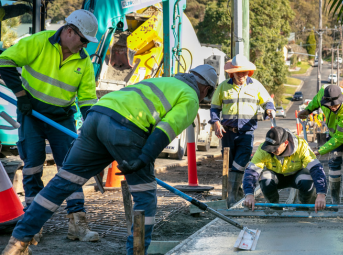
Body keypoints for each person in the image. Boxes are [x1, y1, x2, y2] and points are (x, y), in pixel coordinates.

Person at [1, 65, 219, 255]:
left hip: (96, 117)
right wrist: (143, 158)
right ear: (206, 88)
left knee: (62, 182)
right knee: (145, 198)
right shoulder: (190, 97)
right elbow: (164, 130)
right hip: (126, 129)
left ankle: (17, 242)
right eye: (207, 95)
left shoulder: (164, 81)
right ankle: (136, 251)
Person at [0, 9, 100, 243]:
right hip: (32, 115)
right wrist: (21, 95)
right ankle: (33, 225)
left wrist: (91, 125)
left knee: (71, 169)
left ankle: (77, 223)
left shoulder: (84, 62)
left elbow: (86, 98)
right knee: (33, 167)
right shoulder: (39, 42)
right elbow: (4, 61)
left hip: (61, 118)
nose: (85, 46)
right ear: (68, 32)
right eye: (83, 40)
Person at [210, 54, 275, 208]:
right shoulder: (223, 86)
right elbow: (214, 108)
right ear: (232, 72)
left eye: (244, 72)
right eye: (238, 73)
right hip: (227, 132)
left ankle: (232, 196)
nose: (241, 76)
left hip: (246, 132)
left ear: (248, 72)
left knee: (241, 161)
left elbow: (267, 102)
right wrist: (216, 122)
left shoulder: (256, 86)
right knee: (230, 164)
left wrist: (270, 110)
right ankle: (235, 193)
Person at [298, 85, 343, 206]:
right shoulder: (323, 92)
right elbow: (316, 101)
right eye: (329, 105)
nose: (332, 108)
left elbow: (340, 138)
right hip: (335, 132)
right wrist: (308, 110)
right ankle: (335, 200)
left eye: (335, 105)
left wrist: (320, 150)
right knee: (334, 161)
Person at [242, 127, 327, 212]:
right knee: (265, 177)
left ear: (286, 143)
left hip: (297, 176)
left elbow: (316, 169)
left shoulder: (301, 146)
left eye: (275, 148)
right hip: (276, 177)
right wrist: (249, 194)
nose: (271, 151)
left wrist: (321, 194)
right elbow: (251, 172)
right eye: (269, 148)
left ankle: (303, 205)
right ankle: (274, 207)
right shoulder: (263, 150)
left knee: (307, 178)